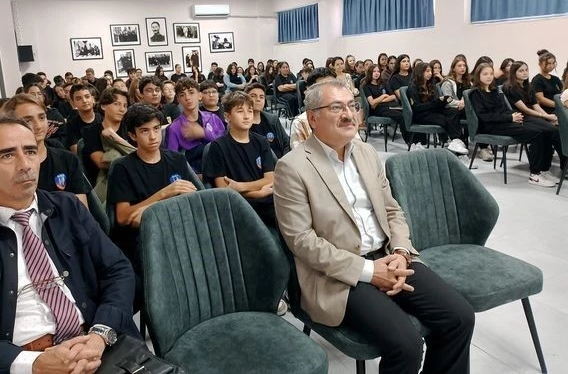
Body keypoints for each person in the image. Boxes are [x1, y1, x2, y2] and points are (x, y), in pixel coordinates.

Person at [274, 80, 475, 374]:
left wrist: (401, 251)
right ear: (313, 118)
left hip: (389, 256)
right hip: (341, 274)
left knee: (459, 317)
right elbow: (302, 241)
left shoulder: (366, 153)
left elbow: (392, 210)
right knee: (406, 344)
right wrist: (370, 271)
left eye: (352, 106)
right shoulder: (292, 167)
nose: (349, 114)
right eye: (336, 107)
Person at [0, 115, 139, 373]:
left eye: (30, 151)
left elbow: (118, 270)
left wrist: (99, 335)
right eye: (7, 155)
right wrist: (31, 364)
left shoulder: (68, 208)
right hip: (24, 359)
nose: (25, 164)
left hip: (94, 343)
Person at [107, 103, 201, 308]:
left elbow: (191, 199)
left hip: (176, 227)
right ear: (132, 135)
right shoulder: (123, 167)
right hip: (142, 238)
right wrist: (164, 193)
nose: (153, 136)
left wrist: (148, 208)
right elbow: (123, 217)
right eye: (144, 131)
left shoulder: (176, 159)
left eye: (156, 129)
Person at [470, 63, 556, 187]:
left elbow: (504, 108)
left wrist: (514, 115)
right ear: (478, 76)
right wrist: (510, 117)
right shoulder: (475, 93)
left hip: (504, 122)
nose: (489, 76)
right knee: (537, 133)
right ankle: (535, 175)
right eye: (485, 74)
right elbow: (485, 116)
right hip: (491, 126)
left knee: (547, 130)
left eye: (491, 74)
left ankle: (544, 169)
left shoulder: (495, 90)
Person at [203, 91, 277, 228]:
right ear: (227, 117)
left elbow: (270, 179)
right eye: (240, 111)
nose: (246, 116)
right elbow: (223, 188)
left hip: (269, 201)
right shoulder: (217, 147)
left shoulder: (261, 142)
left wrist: (240, 186)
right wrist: (257, 193)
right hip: (239, 205)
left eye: (249, 111)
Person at [503, 61, 564, 180]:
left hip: (532, 116)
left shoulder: (528, 86)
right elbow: (525, 109)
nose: (525, 73)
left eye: (526, 70)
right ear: (513, 73)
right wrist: (546, 117)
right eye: (521, 71)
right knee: (549, 131)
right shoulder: (510, 87)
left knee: (554, 130)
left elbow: (536, 106)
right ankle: (543, 168)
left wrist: (548, 116)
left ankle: (548, 167)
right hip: (520, 117)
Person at [406, 62, 468, 154]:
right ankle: (456, 143)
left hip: (433, 111)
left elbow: (436, 103)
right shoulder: (412, 88)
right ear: (420, 72)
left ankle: (456, 141)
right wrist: (434, 103)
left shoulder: (432, 85)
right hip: (421, 115)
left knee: (453, 112)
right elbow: (416, 107)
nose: (430, 73)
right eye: (427, 71)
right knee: (447, 120)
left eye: (431, 71)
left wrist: (443, 101)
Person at [165, 78, 225, 173]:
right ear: (178, 99)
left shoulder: (213, 118)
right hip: (194, 174)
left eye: (191, 92)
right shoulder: (174, 128)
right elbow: (172, 161)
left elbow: (225, 146)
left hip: (220, 168)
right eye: (182, 95)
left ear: (200, 95)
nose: (187, 98)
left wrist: (204, 133)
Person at [245, 83, 290, 158]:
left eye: (261, 97)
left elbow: (286, 143)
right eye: (253, 96)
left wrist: (284, 163)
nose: (258, 99)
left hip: (281, 162)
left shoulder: (273, 119)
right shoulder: (242, 124)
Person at [65, 84, 102, 153]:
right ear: (73, 103)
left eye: (87, 97)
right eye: (78, 98)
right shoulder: (71, 125)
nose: (84, 101)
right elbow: (77, 152)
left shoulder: (102, 119)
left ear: (93, 99)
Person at [532, 49, 563, 114]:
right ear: (540, 64)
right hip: (548, 111)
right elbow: (541, 100)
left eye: (553, 63)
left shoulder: (556, 79)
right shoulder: (537, 80)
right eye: (548, 63)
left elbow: (563, 93)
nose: (551, 66)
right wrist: (559, 105)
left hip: (560, 107)